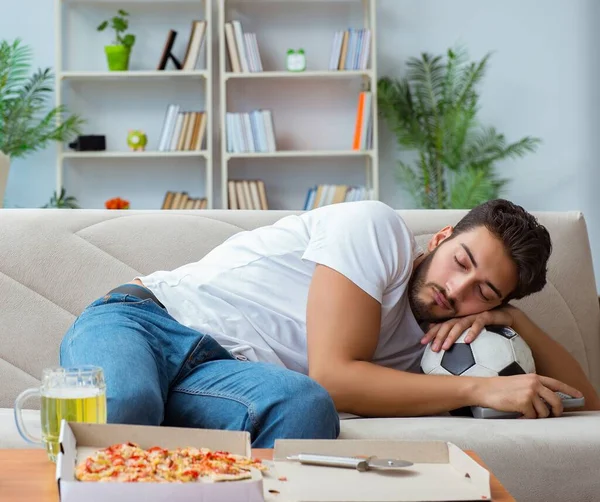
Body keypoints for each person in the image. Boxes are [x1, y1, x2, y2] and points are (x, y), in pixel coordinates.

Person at [60, 199, 600, 447]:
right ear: (439, 239)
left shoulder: (444, 347)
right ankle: (119, 396)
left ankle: (138, 417)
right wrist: (484, 388)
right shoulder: (376, 229)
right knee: (125, 405)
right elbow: (336, 375)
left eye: (482, 291)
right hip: (147, 321)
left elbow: (585, 401)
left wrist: (517, 323)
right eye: (461, 262)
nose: (456, 291)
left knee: (305, 407)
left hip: (224, 379)